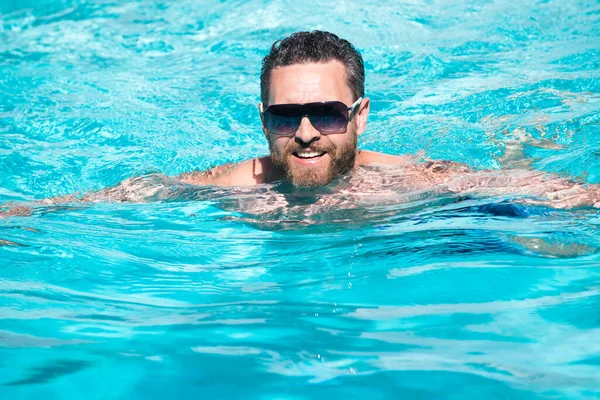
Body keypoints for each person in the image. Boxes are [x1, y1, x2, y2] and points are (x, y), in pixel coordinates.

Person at [1, 30, 599, 218]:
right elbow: (107, 198)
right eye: (288, 115)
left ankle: (518, 141)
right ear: (264, 120)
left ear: (359, 116)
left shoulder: (412, 179)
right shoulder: (239, 185)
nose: (308, 131)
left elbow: (563, 194)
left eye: (328, 112)